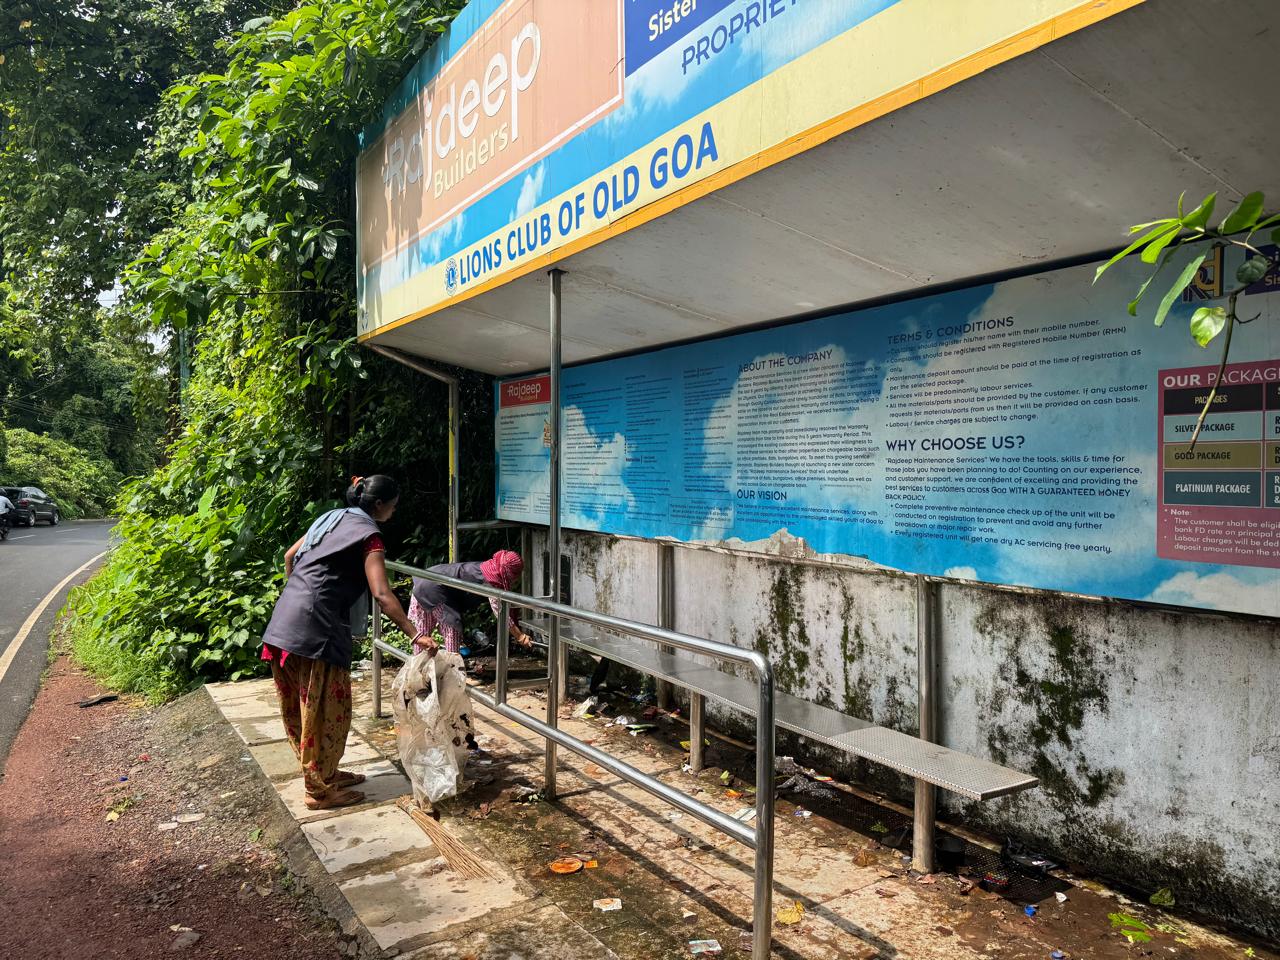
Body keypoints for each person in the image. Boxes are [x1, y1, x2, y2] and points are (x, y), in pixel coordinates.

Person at [261, 475, 433, 810]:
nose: (393, 513)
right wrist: (416, 633)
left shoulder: (330, 518)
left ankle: (325, 774)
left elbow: (289, 557)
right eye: (393, 507)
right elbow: (382, 594)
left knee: (304, 709)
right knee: (328, 711)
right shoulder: (369, 536)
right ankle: (318, 792)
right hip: (316, 630)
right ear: (380, 505)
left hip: (284, 621)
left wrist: (301, 594)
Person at [408, 549, 534, 656]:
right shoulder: (492, 582)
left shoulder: (488, 567)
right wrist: (520, 636)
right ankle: (453, 672)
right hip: (435, 588)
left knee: (422, 635)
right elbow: (501, 614)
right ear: (510, 574)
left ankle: (418, 673)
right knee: (452, 629)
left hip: (424, 579)